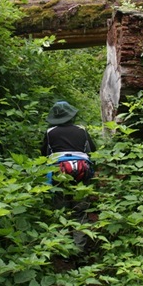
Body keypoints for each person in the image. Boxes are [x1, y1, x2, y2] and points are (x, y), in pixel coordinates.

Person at [41, 100, 96, 252]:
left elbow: (44, 154)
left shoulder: (50, 133)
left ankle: (62, 249)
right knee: (80, 210)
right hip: (81, 171)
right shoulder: (82, 130)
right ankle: (79, 249)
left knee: (60, 210)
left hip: (59, 171)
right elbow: (92, 151)